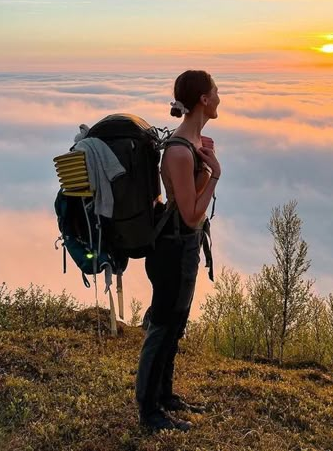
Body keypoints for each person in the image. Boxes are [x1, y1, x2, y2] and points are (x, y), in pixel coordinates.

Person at [136, 70, 221, 433]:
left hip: (182, 248)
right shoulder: (179, 151)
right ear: (203, 99)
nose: (219, 97)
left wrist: (206, 164)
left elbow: (188, 203)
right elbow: (189, 215)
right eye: (216, 91)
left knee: (175, 325)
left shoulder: (189, 144)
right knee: (162, 326)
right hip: (173, 249)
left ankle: (165, 396)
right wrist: (215, 173)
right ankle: (149, 411)